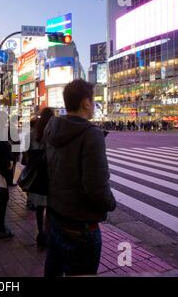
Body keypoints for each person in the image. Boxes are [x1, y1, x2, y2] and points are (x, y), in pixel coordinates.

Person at [43, 79, 116, 277]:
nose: (93, 106)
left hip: (55, 216)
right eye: (92, 101)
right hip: (80, 226)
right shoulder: (91, 134)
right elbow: (96, 186)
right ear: (85, 103)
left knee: (53, 269)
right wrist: (110, 203)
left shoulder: (52, 128)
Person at [23, 108, 54, 249]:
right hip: (51, 176)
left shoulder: (31, 134)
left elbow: (26, 154)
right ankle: (47, 235)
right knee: (51, 209)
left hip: (37, 176)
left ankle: (40, 234)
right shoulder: (53, 135)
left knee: (39, 208)